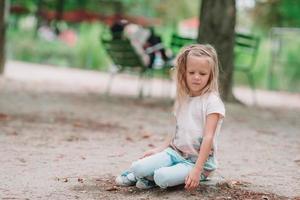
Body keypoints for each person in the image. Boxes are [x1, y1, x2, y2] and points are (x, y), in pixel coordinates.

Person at [115, 44, 225, 190]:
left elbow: (208, 138)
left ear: (210, 75)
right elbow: (176, 130)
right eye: (191, 72)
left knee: (162, 177)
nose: (196, 77)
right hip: (174, 153)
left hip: (197, 162)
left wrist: (197, 170)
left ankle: (151, 178)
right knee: (138, 166)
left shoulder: (212, 102)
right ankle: (141, 174)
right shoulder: (183, 98)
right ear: (184, 73)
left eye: (202, 74)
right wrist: (159, 149)